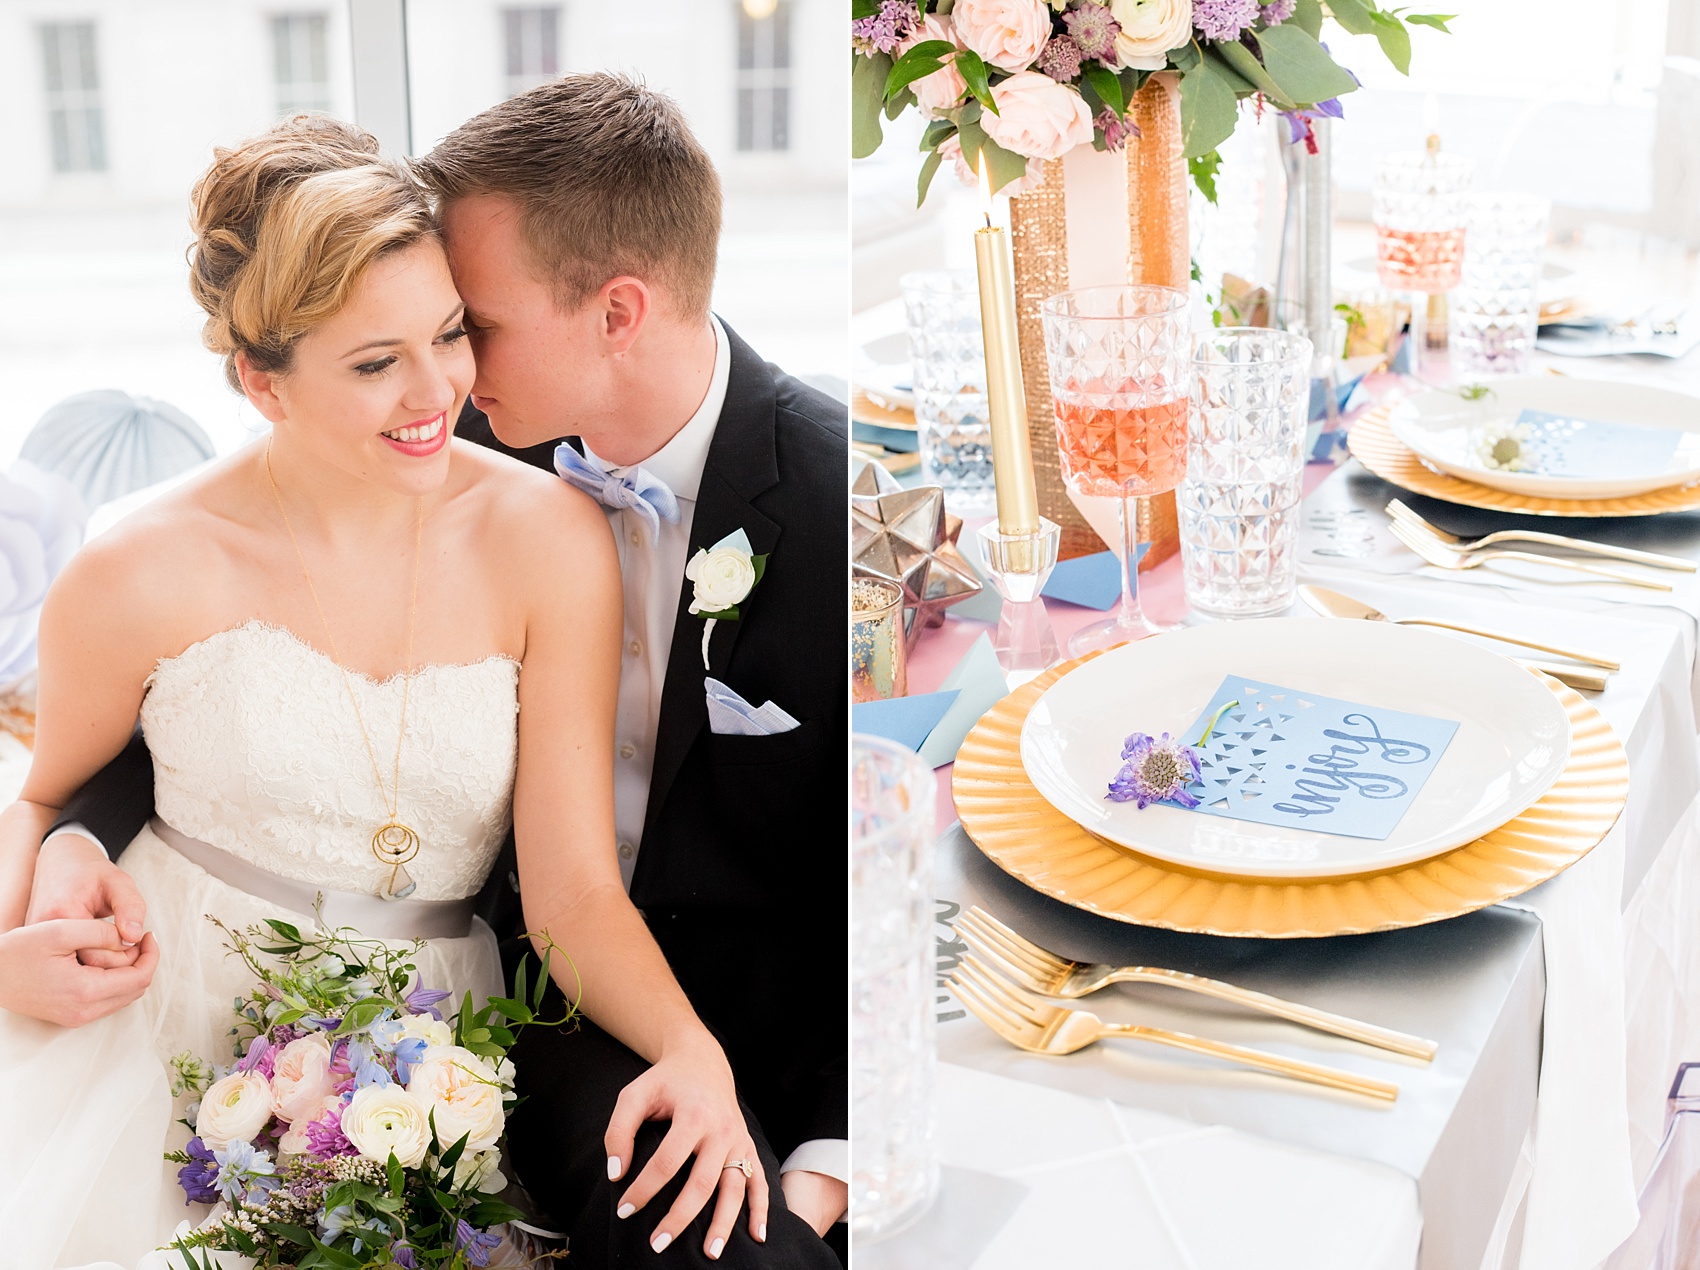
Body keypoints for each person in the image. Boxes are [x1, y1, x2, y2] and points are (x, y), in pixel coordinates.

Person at [21, 76, 849, 1267]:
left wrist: (748, 1094)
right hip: (202, 997)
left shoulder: (599, 519)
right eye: (378, 361)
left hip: (529, 1021)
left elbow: (599, 894)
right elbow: (77, 775)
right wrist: (56, 868)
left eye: (461, 329)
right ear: (260, 381)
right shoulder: (183, 543)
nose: (440, 389)